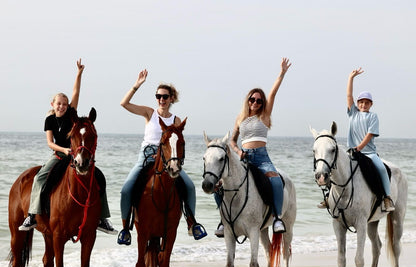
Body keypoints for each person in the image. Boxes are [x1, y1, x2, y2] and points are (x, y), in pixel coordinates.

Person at [19, 59, 116, 234]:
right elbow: (50, 143)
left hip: (76, 156)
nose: (62, 106)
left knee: (99, 177)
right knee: (39, 178)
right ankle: (32, 216)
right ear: (53, 105)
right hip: (59, 155)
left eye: (64, 104)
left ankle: (102, 219)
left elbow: (76, 92)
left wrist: (79, 74)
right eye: (59, 104)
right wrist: (64, 150)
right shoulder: (49, 120)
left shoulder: (71, 115)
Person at [117, 69, 207, 246]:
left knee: (189, 186)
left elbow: (177, 143)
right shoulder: (150, 113)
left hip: (168, 160)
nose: (161, 100)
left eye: (165, 97)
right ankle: (125, 229)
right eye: (158, 96)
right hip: (146, 157)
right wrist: (136, 85)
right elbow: (124, 104)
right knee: (126, 189)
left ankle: (192, 223)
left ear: (171, 98)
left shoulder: (176, 120)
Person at [215, 58, 291, 237]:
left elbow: (272, 94)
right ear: (248, 100)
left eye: (258, 100)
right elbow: (232, 141)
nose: (255, 103)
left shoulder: (264, 116)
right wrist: (239, 151)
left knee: (275, 181)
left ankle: (277, 217)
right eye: (252, 99)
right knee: (219, 185)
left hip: (262, 157)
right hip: (244, 157)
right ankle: (222, 219)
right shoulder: (240, 118)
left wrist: (281, 74)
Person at [345, 67, 394, 211]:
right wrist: (351, 78)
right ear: (357, 103)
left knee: (382, 169)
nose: (363, 105)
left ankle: (387, 198)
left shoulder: (373, 116)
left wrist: (359, 147)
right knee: (336, 168)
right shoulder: (353, 113)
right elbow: (349, 95)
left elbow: (369, 135)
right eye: (361, 102)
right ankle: (329, 198)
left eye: (367, 103)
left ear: (371, 104)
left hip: (369, 153)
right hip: (352, 152)